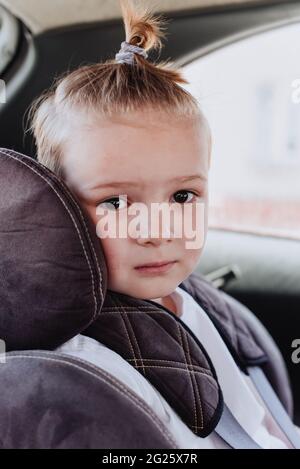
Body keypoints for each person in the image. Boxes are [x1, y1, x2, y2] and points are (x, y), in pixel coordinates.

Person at [26, 0, 299, 449]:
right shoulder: (81, 368)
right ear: (58, 206)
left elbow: (258, 430)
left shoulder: (191, 302)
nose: (157, 230)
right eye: (115, 202)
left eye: (182, 196)